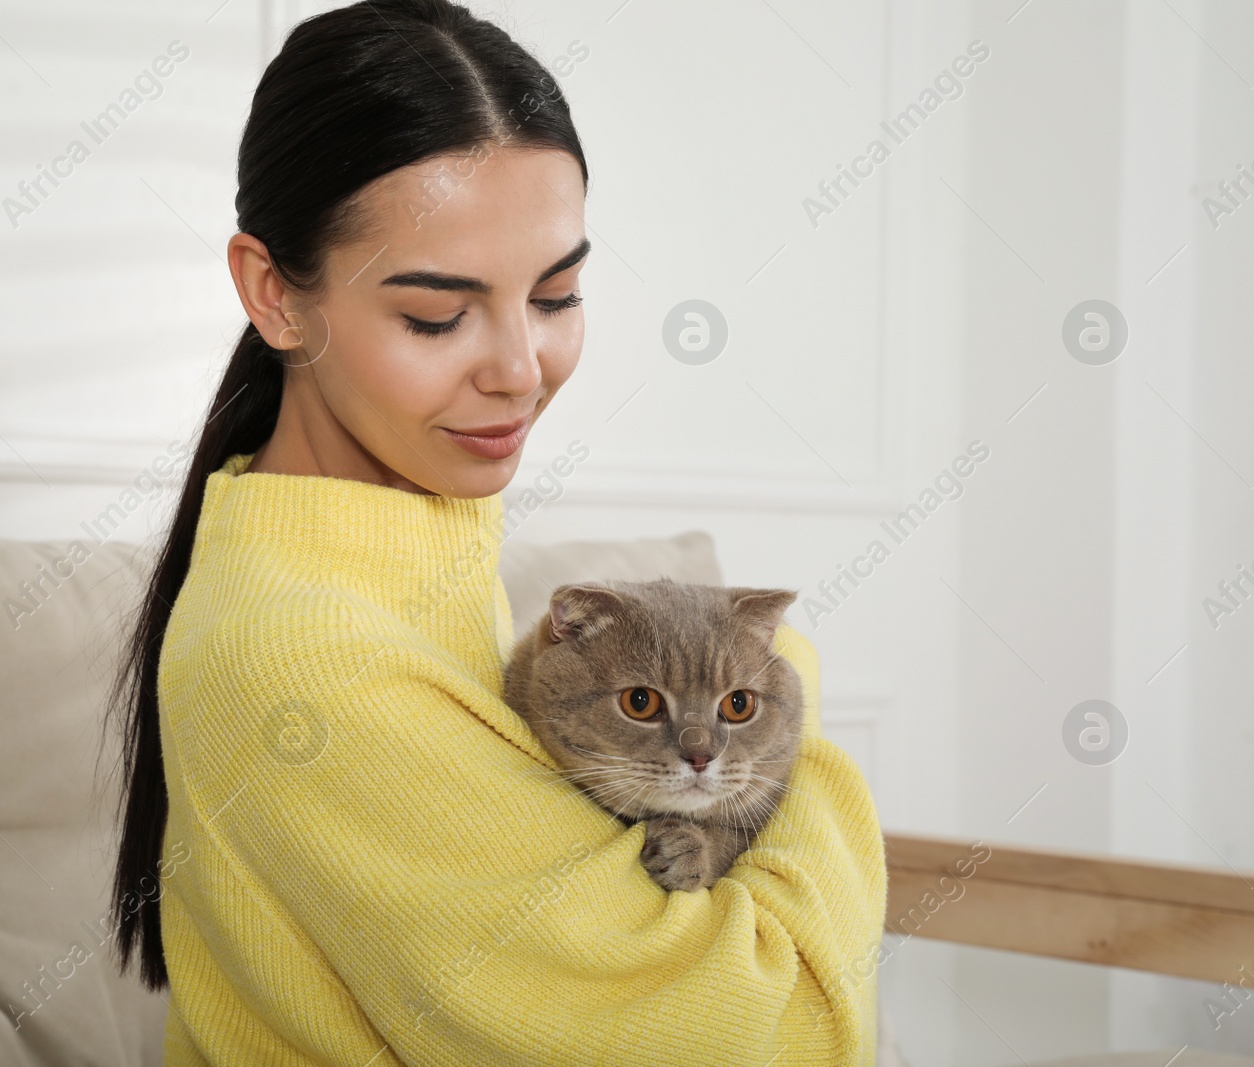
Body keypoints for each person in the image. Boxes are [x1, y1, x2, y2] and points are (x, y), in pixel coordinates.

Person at [107, 1, 887, 1062]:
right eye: (437, 315)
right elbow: (775, 1028)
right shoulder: (309, 658)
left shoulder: (406, 536)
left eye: (557, 293)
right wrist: (785, 677)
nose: (520, 368)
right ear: (274, 297)